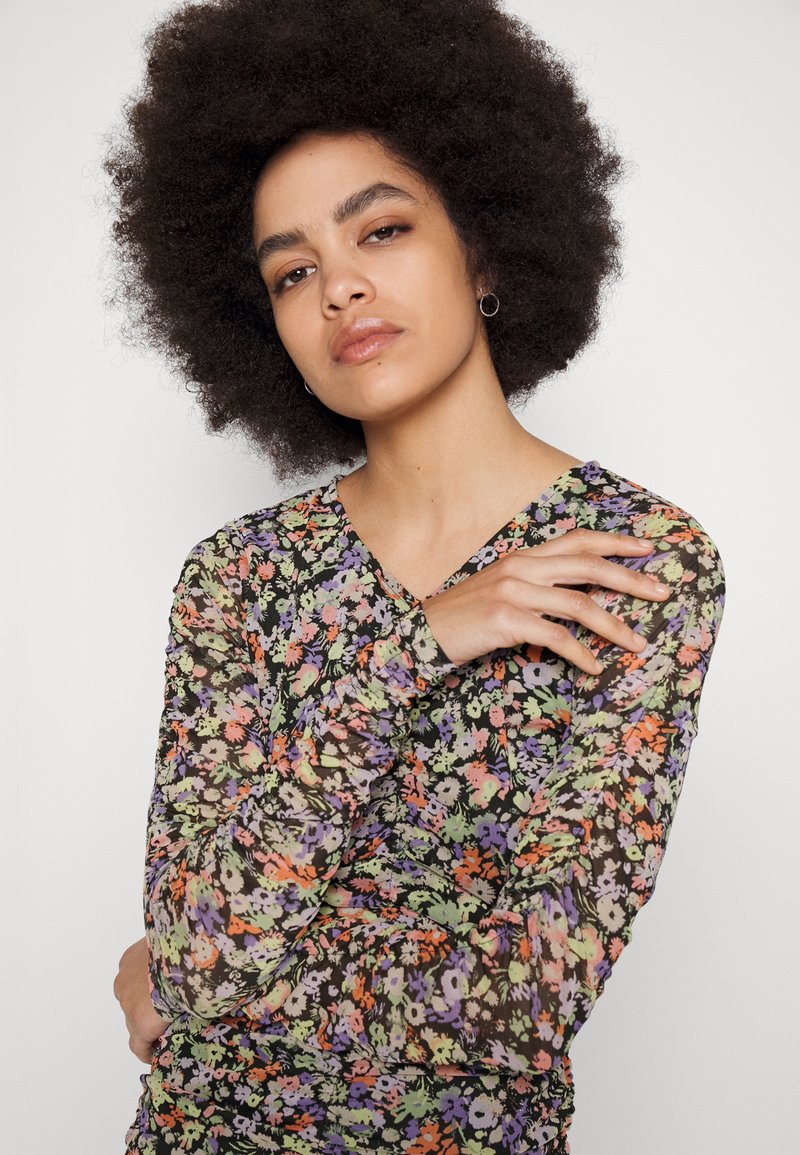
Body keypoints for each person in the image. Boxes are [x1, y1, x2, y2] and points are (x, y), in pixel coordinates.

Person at [107, 0, 726, 1151]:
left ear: (481, 243)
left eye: (380, 231)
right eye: (292, 272)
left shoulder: (634, 558)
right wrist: (417, 643)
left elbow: (523, 1002)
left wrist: (198, 973)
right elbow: (200, 947)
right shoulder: (238, 578)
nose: (338, 289)